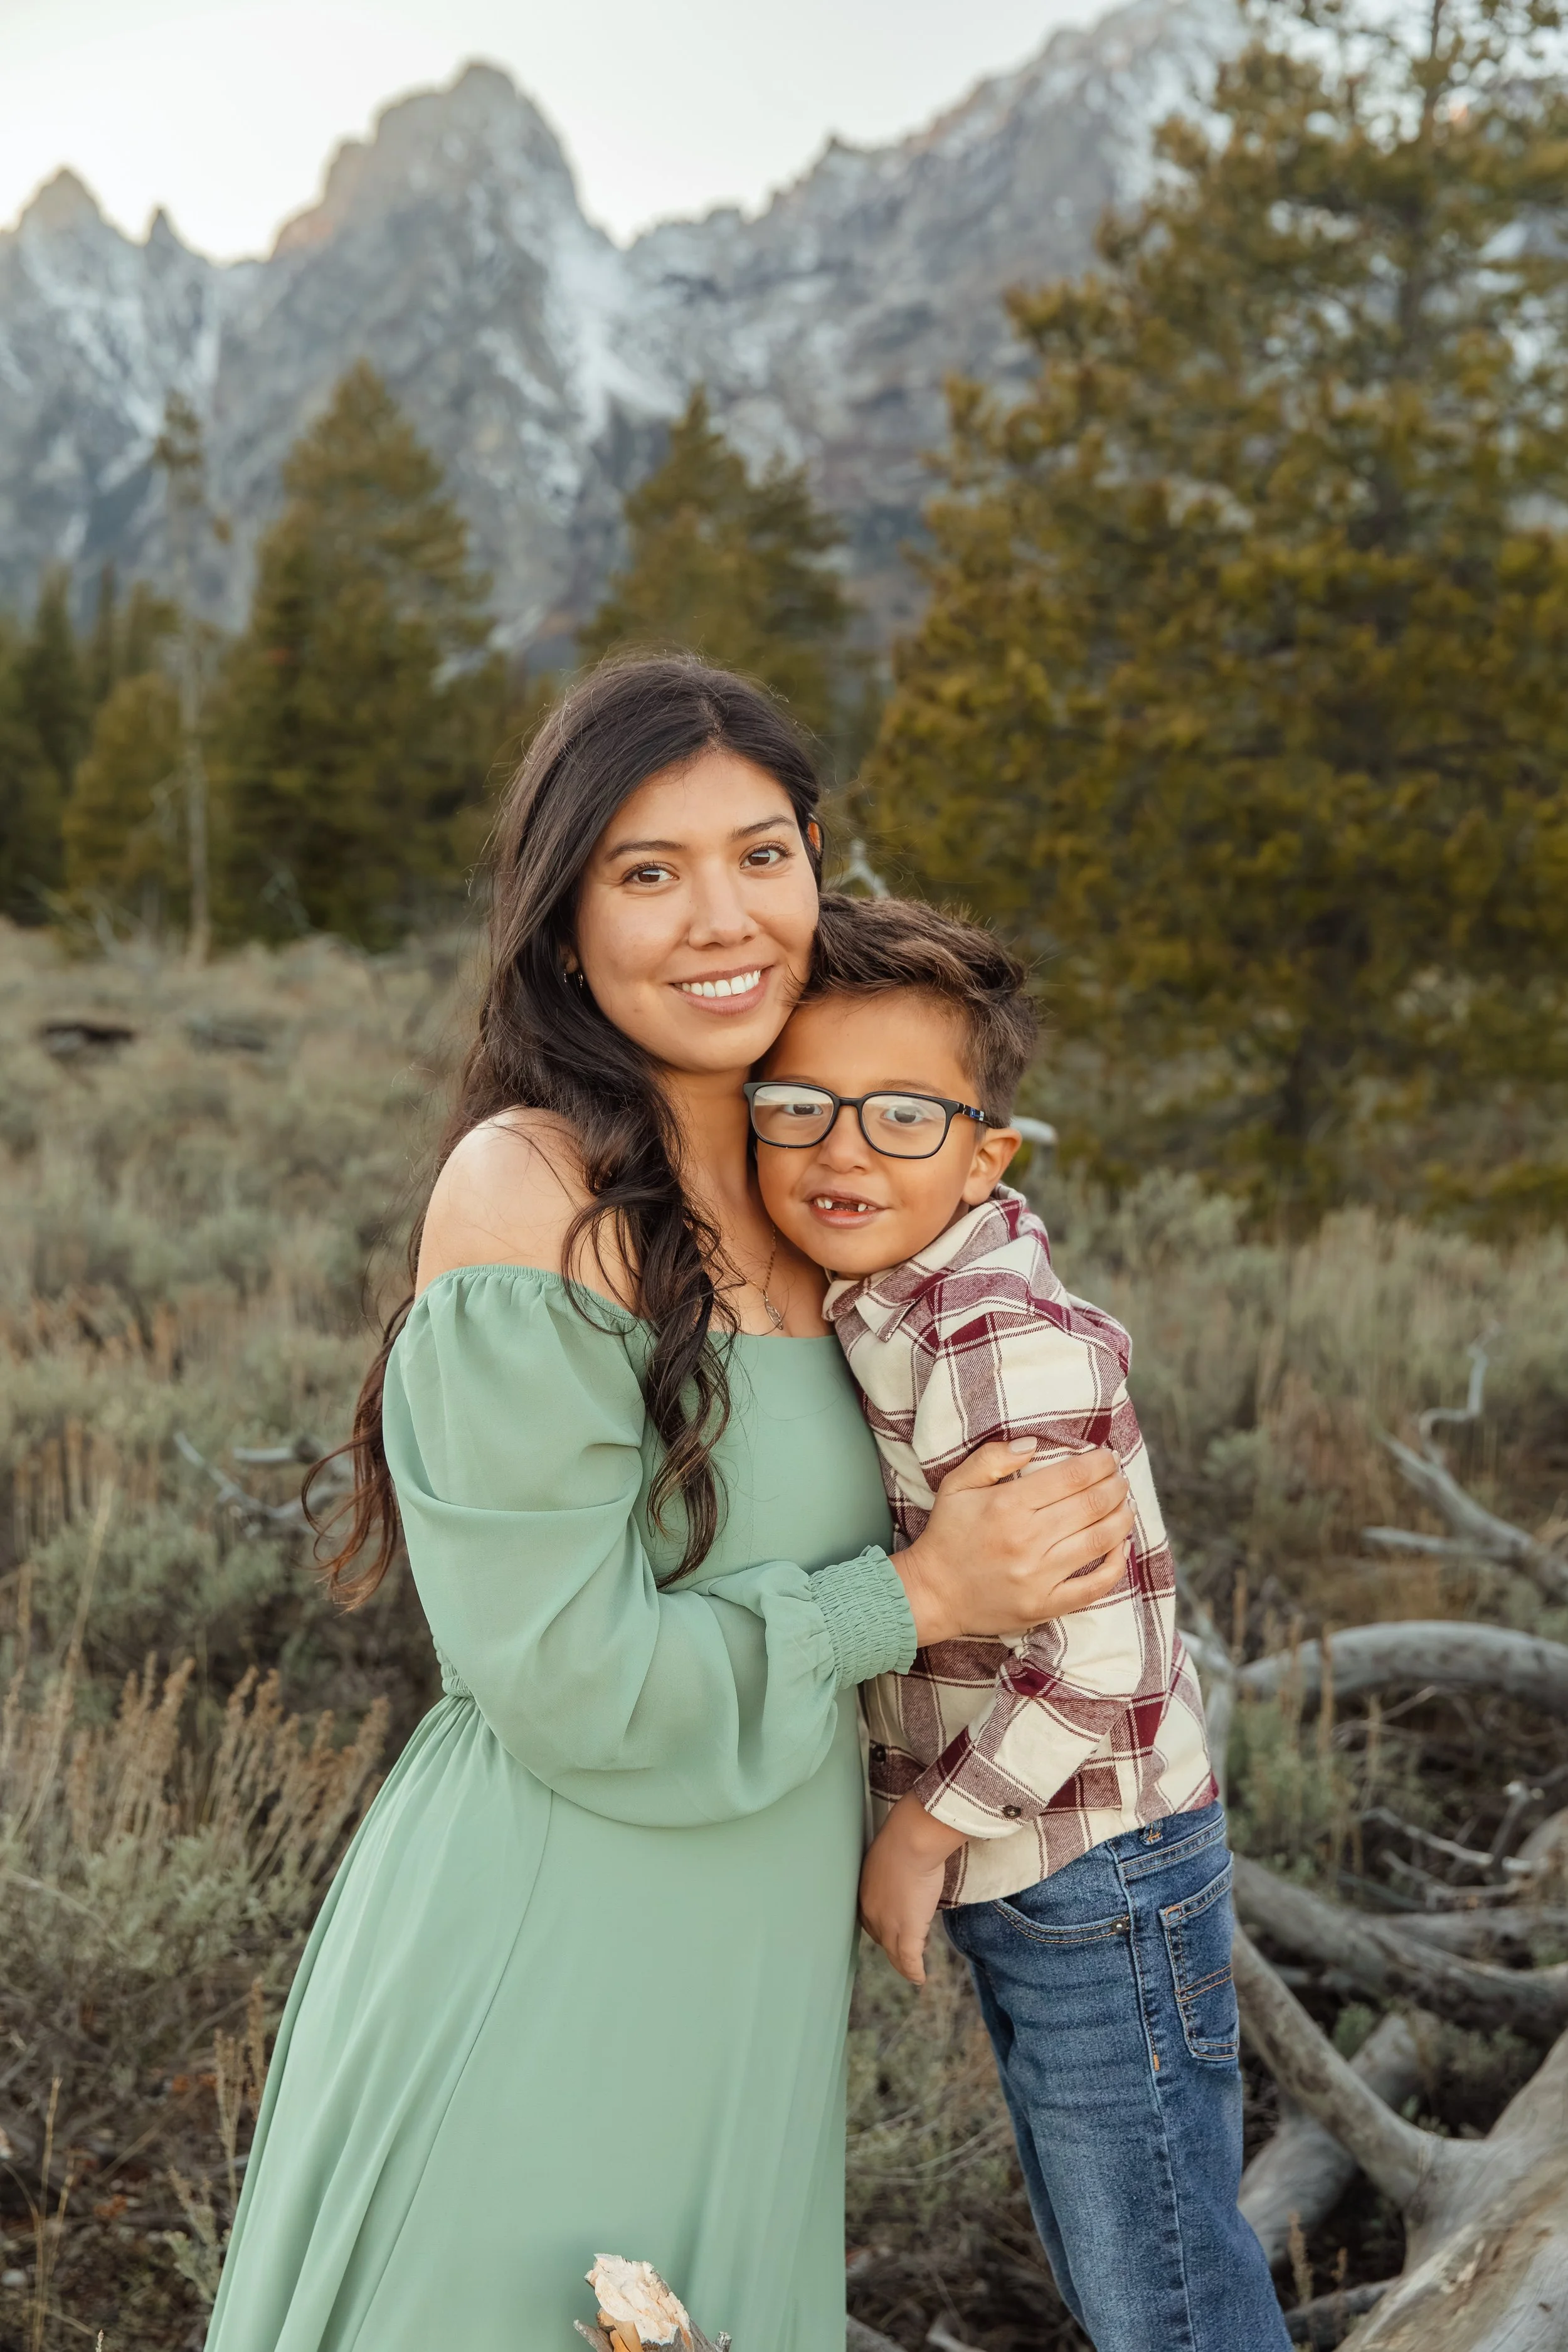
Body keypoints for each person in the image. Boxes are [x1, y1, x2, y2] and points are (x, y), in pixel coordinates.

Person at [204, 657, 1136, 2352]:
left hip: (752, 1953)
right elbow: (570, 1679)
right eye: (649, 870)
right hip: (553, 1939)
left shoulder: (843, 1191)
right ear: (564, 925)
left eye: (760, 853)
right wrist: (912, 1598)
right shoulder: (531, 1190)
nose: (724, 917)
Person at [750, 892, 1290, 2352]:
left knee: (1161, 2283)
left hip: (1094, 1863)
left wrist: (919, 1836)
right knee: (1106, 2246)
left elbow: (1101, 1659)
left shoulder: (997, 1343)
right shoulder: (874, 1295)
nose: (842, 1149)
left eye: (903, 1117)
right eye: (797, 1106)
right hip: (1037, 1858)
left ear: (986, 1153)